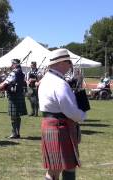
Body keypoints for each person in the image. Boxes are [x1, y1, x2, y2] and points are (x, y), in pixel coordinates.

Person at [38, 49, 86, 180]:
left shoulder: (45, 80)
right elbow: (70, 110)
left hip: (50, 124)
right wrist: (82, 115)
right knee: (67, 166)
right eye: (69, 62)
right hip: (60, 127)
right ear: (61, 63)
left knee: (53, 169)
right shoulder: (59, 83)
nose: (70, 65)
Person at [0, 59, 27, 139]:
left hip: (13, 96)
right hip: (19, 94)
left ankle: (14, 133)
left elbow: (6, 82)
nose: (11, 65)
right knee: (17, 116)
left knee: (13, 116)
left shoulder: (14, 72)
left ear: (14, 64)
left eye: (12, 64)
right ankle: (17, 133)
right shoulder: (21, 72)